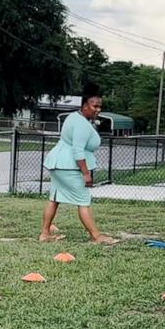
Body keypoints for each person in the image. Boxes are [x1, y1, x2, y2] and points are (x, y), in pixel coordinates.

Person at [39, 83, 118, 245]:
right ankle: (96, 237)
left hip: (58, 164)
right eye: (94, 106)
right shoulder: (82, 124)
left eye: (99, 107)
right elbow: (77, 150)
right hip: (69, 167)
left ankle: (45, 233)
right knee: (83, 200)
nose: (97, 109)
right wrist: (86, 173)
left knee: (54, 198)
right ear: (84, 106)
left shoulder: (74, 117)